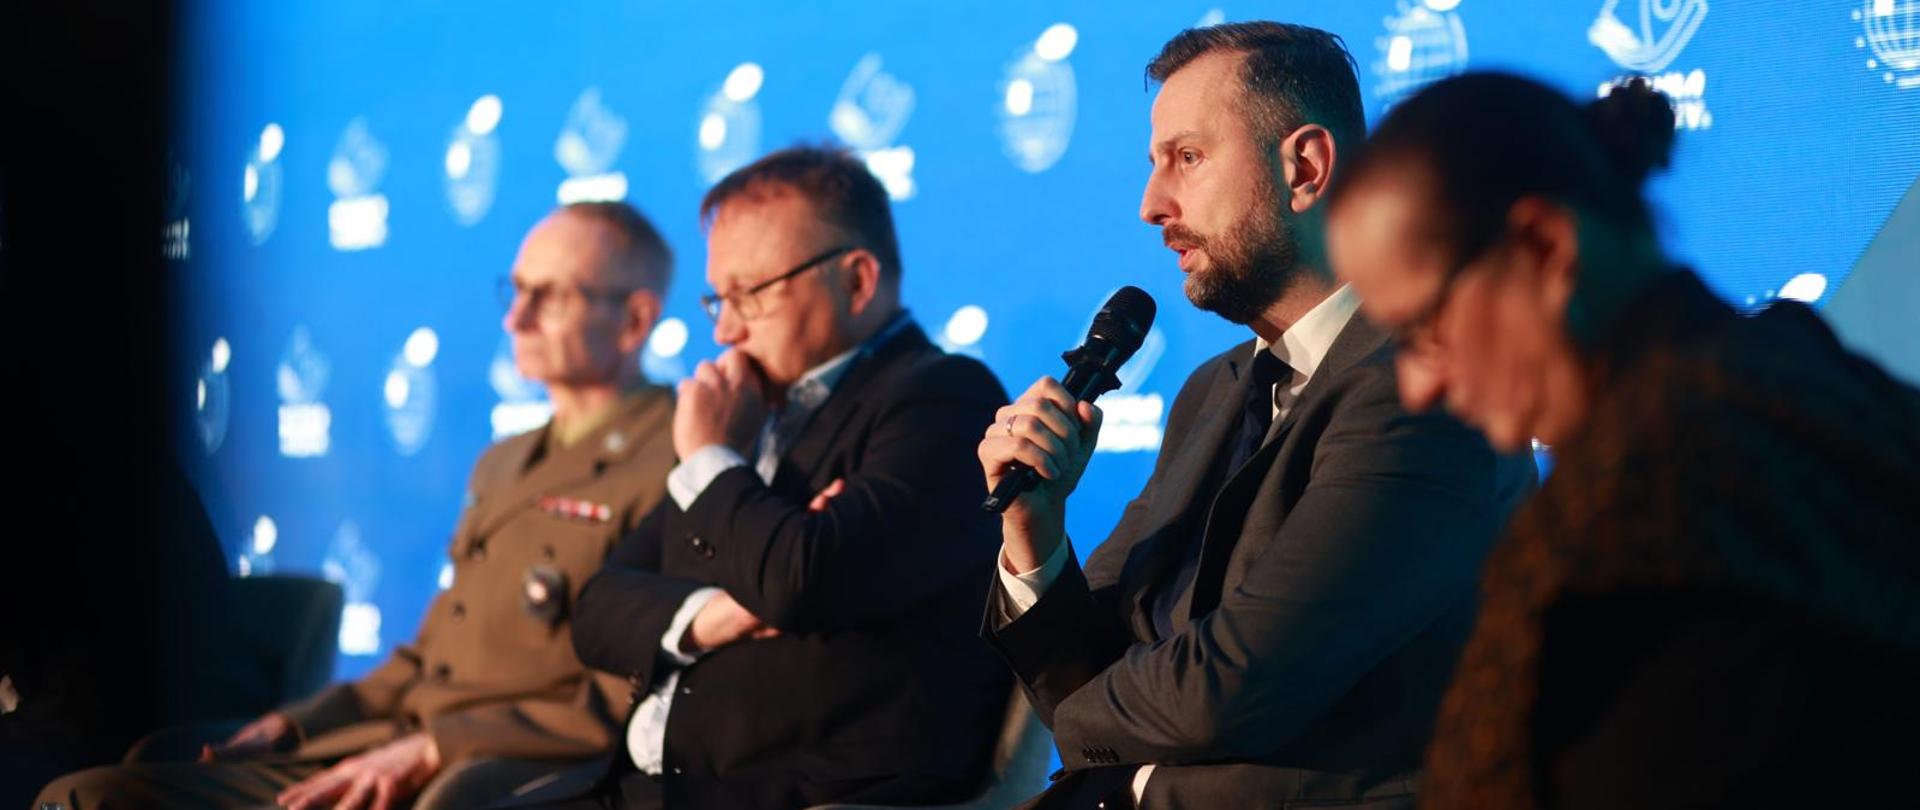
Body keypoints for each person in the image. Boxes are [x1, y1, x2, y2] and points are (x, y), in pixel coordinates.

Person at [974, 23, 1535, 809]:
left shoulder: (1425, 387)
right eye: (1154, 164)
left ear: (1305, 168)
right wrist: (1035, 528)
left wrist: (1090, 706)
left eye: (1188, 159)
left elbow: (1232, 689)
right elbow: (1089, 665)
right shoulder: (1215, 387)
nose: (1150, 205)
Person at [1325, 72, 1920, 808]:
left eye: (1423, 330)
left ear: (1544, 246)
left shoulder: (1643, 494)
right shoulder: (1802, 381)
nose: (1418, 386)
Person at [37, 200, 681, 810]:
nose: (517, 318)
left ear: (634, 320)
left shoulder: (673, 460)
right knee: (131, 771)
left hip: (481, 767)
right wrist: (296, 723)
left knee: (92, 797)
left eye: (553, 296)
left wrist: (436, 747)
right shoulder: (506, 460)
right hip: (387, 740)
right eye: (516, 290)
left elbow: (624, 696)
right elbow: (430, 658)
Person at [506, 146, 1011, 809]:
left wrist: (711, 460)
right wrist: (721, 614)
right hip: (638, 788)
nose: (724, 331)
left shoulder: (944, 400)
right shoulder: (757, 412)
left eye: (748, 294)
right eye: (717, 298)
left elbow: (806, 581)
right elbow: (600, 610)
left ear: (856, 282)